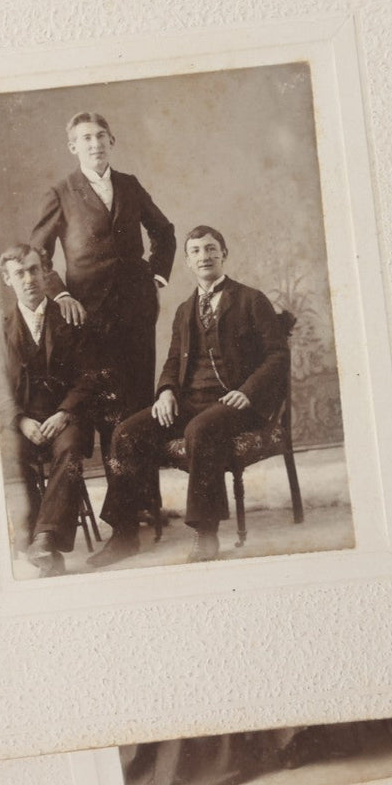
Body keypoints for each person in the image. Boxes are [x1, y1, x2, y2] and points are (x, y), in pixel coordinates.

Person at [89, 226, 289, 567]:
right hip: (191, 400)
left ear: (224, 253)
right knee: (126, 433)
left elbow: (277, 356)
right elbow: (171, 362)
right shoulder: (185, 310)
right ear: (186, 262)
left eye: (211, 249)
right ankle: (124, 534)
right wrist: (165, 392)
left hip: (236, 402)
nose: (204, 256)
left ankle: (205, 532)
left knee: (200, 429)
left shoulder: (250, 300)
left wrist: (247, 391)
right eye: (195, 251)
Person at [30, 112, 176, 439]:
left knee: (139, 401)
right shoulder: (61, 192)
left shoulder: (130, 185)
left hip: (137, 310)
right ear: (73, 147)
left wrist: (156, 277)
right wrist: (62, 294)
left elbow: (164, 232)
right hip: (89, 315)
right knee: (105, 405)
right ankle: (118, 490)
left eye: (100, 136)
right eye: (86, 138)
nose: (95, 144)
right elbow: (38, 254)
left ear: (112, 141)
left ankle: (145, 492)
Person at [0, 243, 96, 577]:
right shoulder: (0, 329)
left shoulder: (70, 317)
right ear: (7, 279)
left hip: (65, 417)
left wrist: (65, 412)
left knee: (68, 450)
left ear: (45, 272)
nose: (29, 279)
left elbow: (89, 375)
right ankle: (45, 550)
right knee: (12, 453)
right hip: (26, 421)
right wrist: (20, 420)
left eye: (34, 270)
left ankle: (44, 538)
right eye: (20, 273)